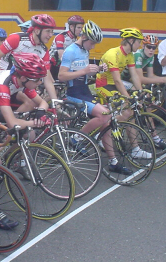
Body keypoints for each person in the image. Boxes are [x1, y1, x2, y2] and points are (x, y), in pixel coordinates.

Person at [58, 20, 134, 175]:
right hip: (74, 93)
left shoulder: (85, 51)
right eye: (92, 43)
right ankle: (76, 138)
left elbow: (85, 72)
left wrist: (98, 69)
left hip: (84, 91)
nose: (93, 47)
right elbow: (61, 76)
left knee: (107, 121)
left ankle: (113, 162)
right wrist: (85, 71)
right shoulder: (71, 50)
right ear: (84, 37)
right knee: (104, 114)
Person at [95, 27, 154, 160]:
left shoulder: (130, 55)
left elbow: (134, 76)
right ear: (131, 41)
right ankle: (102, 132)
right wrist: (128, 98)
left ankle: (135, 149)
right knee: (126, 109)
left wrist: (140, 93)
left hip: (114, 85)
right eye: (139, 42)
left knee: (130, 111)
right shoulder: (113, 54)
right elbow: (117, 80)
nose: (140, 45)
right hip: (103, 85)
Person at [0, 14, 58, 101]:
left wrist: (55, 101)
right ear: (37, 31)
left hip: (21, 84)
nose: (50, 35)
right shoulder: (17, 39)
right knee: (30, 102)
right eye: (48, 31)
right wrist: (0, 81)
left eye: (52, 32)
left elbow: (47, 77)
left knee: (38, 103)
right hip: (4, 81)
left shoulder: (44, 51)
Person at [49, 15, 85, 80]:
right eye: (79, 28)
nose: (80, 30)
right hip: (53, 66)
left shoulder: (75, 39)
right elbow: (61, 56)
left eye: (81, 28)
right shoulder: (61, 36)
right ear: (71, 27)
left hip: (62, 66)